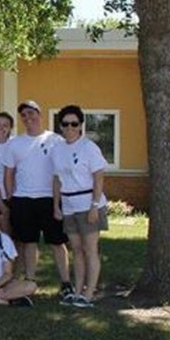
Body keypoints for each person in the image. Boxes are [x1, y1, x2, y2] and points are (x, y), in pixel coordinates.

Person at [4, 100, 72, 300]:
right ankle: (30, 281)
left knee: (57, 242)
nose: (28, 118)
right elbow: (9, 173)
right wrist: (10, 198)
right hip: (23, 199)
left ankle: (66, 283)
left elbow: (61, 173)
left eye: (31, 113)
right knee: (28, 242)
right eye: (24, 115)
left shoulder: (56, 140)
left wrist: (58, 201)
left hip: (49, 199)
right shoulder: (15, 143)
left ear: (40, 114)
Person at [52, 105, 108, 308]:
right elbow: (57, 179)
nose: (70, 128)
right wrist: (56, 206)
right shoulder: (57, 149)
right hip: (68, 204)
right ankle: (77, 291)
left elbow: (99, 177)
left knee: (90, 249)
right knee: (76, 249)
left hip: (87, 204)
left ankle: (90, 294)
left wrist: (94, 205)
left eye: (74, 124)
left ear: (81, 125)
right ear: (60, 126)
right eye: (65, 124)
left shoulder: (89, 148)